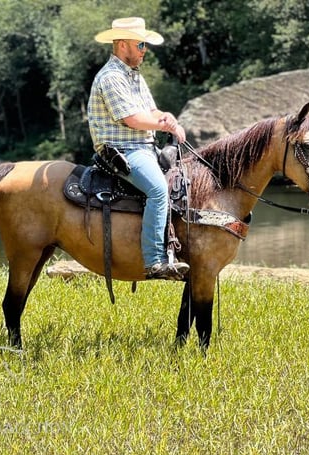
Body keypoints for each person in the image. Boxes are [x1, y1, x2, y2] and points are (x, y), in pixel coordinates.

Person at [87, 17, 190, 281]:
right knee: (158, 191)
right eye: (141, 44)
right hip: (122, 149)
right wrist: (166, 127)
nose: (145, 49)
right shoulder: (111, 77)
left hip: (143, 147)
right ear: (123, 45)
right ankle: (155, 261)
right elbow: (131, 119)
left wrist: (167, 117)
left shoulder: (133, 75)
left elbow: (151, 110)